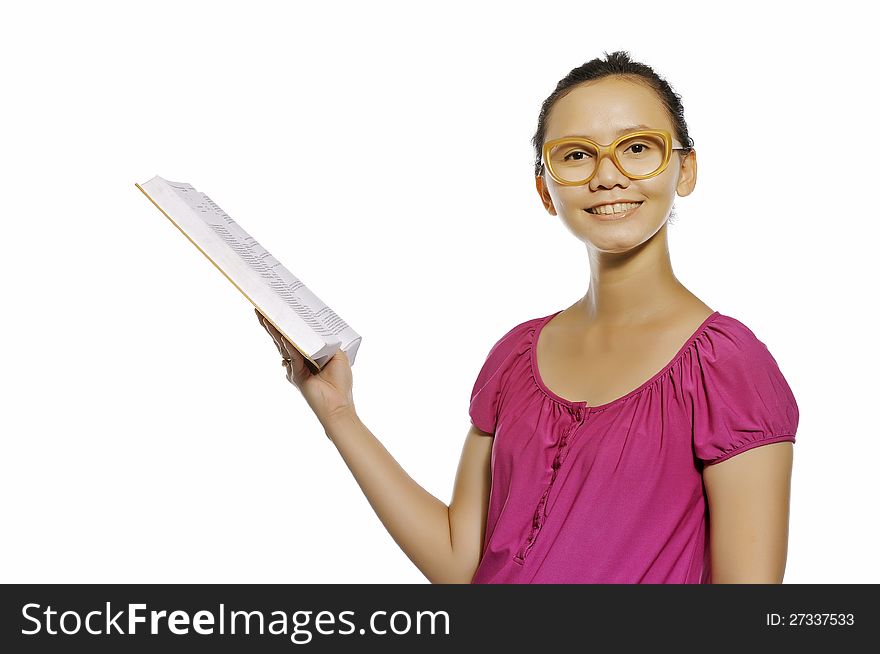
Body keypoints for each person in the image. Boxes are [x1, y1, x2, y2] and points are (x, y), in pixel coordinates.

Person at [255, 50, 799, 584]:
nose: (607, 176)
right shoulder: (516, 356)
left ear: (685, 169)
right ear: (545, 188)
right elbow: (459, 563)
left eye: (637, 148)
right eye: (576, 155)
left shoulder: (725, 365)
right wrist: (338, 413)